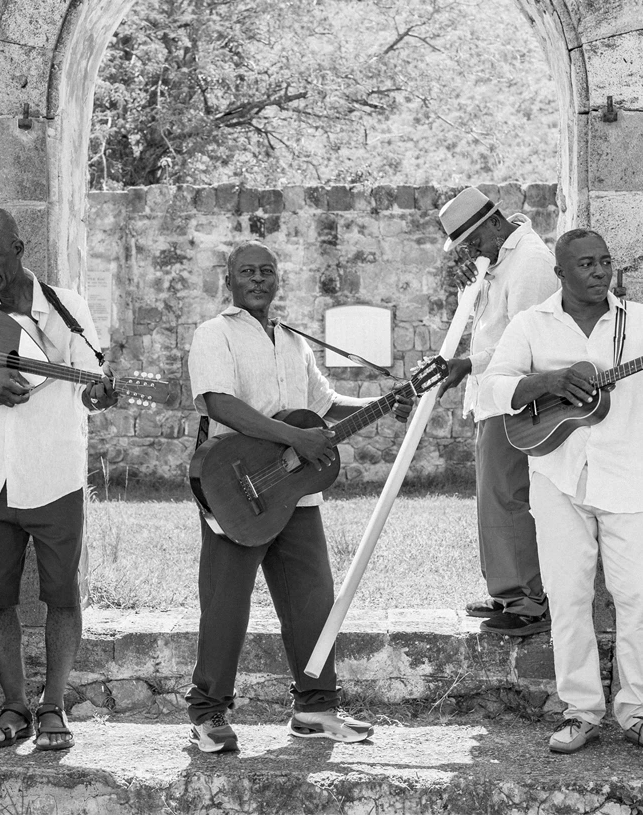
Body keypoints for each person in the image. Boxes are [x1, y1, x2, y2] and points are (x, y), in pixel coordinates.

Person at [185, 241, 413, 753]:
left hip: (294, 495)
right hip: (235, 490)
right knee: (226, 605)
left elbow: (323, 405)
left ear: (277, 279)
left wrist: (382, 404)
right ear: (230, 279)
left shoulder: (293, 341)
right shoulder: (213, 334)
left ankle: (315, 708)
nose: (259, 279)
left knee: (313, 603)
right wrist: (293, 438)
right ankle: (207, 713)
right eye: (248, 271)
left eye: (267, 271)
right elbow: (219, 403)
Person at [0, 207, 116, 751]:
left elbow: (89, 388)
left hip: (54, 472)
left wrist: (99, 395)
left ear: (19, 247)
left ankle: (54, 706)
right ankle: (15, 707)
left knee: (61, 596)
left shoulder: (68, 309)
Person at [481, 229, 643, 754]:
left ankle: (636, 710)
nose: (599, 272)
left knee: (636, 596)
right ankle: (581, 712)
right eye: (586, 264)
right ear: (561, 274)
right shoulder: (533, 324)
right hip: (556, 476)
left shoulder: (637, 323)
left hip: (629, 475)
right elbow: (492, 388)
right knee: (570, 598)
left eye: (605, 262)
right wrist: (547, 384)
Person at [437, 188, 556, 636]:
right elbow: (491, 327)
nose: (471, 251)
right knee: (493, 498)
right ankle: (507, 591)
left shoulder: (530, 263)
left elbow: (528, 344)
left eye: (472, 241)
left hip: (514, 400)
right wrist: (475, 279)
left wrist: (468, 365)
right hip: (491, 399)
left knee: (507, 498)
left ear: (491, 223)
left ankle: (527, 602)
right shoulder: (501, 260)